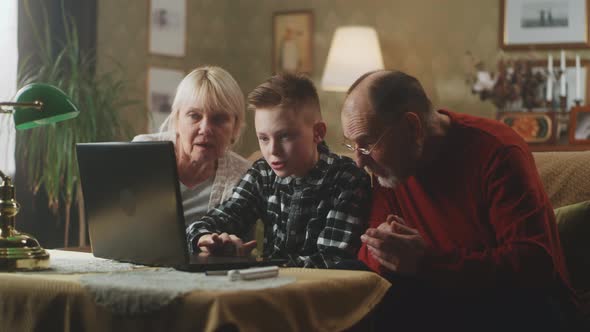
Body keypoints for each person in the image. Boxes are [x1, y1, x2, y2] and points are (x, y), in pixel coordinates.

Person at [341, 70, 580, 331]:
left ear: (412, 127)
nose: (360, 161)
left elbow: (534, 265)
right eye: (353, 146)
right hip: (439, 296)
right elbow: (371, 254)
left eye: (367, 144)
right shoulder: (389, 169)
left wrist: (426, 263)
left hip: (522, 306)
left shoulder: (496, 150)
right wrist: (385, 252)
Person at [186, 73, 371, 268]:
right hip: (270, 286)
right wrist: (206, 238)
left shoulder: (347, 179)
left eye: (285, 136)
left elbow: (331, 261)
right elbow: (218, 219)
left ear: (318, 133)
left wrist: (255, 264)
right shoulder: (263, 173)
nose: (272, 150)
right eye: (264, 138)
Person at [133, 66, 251, 228]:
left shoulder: (242, 175)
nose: (205, 129)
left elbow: (243, 244)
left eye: (218, 119)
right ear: (176, 119)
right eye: (194, 116)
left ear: (235, 127)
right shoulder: (143, 152)